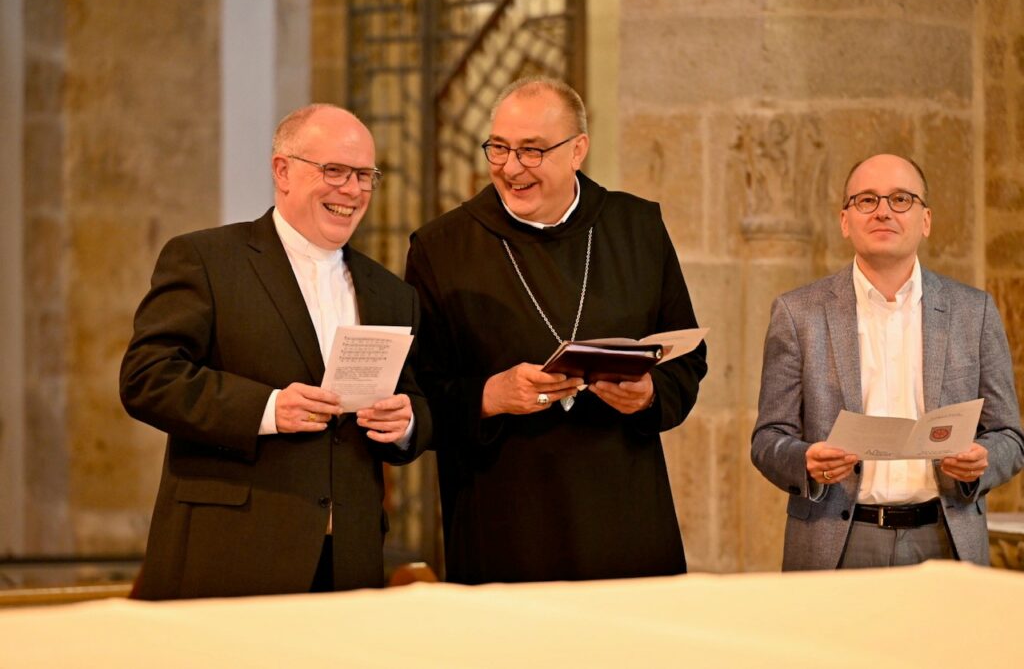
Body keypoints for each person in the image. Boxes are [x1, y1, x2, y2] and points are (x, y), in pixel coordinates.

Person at [120, 104, 431, 599]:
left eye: (364, 176)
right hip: (230, 551)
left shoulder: (392, 292)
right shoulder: (206, 259)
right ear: (282, 171)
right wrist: (268, 409)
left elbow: (415, 398)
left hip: (349, 562)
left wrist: (407, 421)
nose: (351, 190)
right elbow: (147, 377)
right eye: (334, 170)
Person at [405, 77, 707, 584]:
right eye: (498, 148)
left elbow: (687, 355)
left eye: (532, 151)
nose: (510, 167)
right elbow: (413, 391)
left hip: (624, 510)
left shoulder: (637, 227)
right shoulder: (442, 248)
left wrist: (651, 392)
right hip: (504, 516)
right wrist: (491, 395)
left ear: (578, 151)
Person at [751, 153, 1024, 570]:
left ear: (925, 220)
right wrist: (805, 460)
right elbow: (768, 438)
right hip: (838, 541)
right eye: (866, 200)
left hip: (944, 537)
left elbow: (1010, 436)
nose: (883, 211)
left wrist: (980, 462)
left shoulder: (975, 311)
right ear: (845, 221)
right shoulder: (798, 314)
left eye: (901, 199)